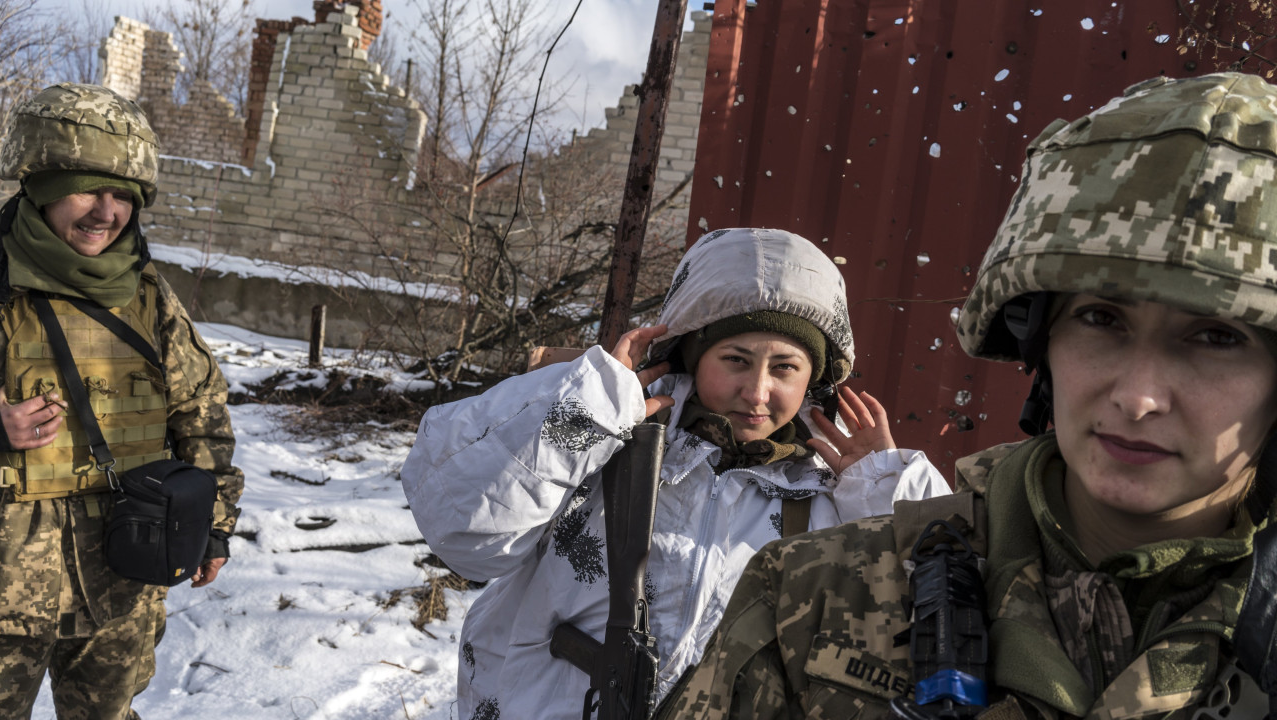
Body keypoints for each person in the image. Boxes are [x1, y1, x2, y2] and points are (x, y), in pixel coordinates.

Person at [659, 71, 1277, 719]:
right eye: (1101, 319)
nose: (1139, 397)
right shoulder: (807, 599)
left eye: (1217, 338)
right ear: (1041, 339)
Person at [401, 226, 951, 719]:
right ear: (692, 354)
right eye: (735, 360)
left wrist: (889, 494)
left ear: (814, 379)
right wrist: (582, 410)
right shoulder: (607, 435)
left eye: (785, 367)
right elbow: (465, 533)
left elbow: (941, 627)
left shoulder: (836, 493)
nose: (757, 392)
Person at [0, 83, 245, 719]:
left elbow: (201, 412)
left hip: (123, 572)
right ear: (44, 184)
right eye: (88, 189)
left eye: (125, 196)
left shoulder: (148, 293)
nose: (106, 212)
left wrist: (214, 524)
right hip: (4, 587)